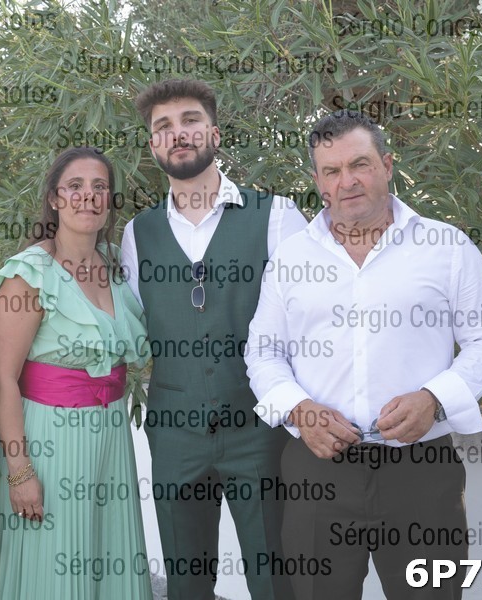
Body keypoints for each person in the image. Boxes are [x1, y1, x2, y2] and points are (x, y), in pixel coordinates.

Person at [245, 109, 482, 600]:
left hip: (421, 472)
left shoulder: (446, 247)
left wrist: (434, 398)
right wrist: (299, 409)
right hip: (317, 470)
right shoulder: (290, 258)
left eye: (360, 164)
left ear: (387, 165)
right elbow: (263, 352)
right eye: (332, 170)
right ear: (318, 182)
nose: (347, 181)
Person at [120, 79, 307, 600]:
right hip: (174, 433)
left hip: (260, 429)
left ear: (215, 133)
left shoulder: (277, 216)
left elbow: (312, 322)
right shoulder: (137, 234)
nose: (178, 133)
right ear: (153, 145)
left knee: (274, 577)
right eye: (163, 126)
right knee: (186, 581)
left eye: (190, 120)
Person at [0, 146, 152, 599]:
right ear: (54, 199)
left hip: (111, 439)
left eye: (100, 187)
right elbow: (2, 379)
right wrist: (19, 471)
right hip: (49, 442)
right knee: (53, 569)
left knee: (108, 557)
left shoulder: (115, 264)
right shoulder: (29, 275)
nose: (88, 196)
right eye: (75, 186)